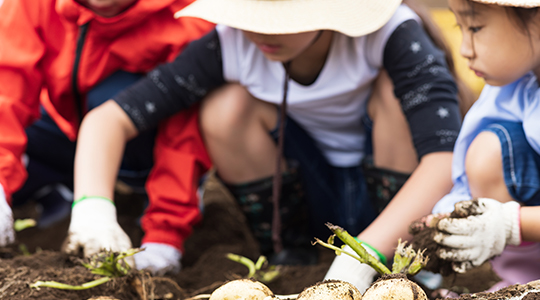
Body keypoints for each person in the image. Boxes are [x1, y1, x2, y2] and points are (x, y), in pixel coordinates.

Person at [73, 0, 467, 289]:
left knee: (395, 98)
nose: (261, 32)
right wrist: (93, 210)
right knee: (224, 108)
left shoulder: (392, 35)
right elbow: (108, 120)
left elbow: (443, 160)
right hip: (305, 197)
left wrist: (360, 258)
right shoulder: (230, 44)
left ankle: (404, 263)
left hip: (398, 203)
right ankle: (287, 249)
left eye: (281, 19)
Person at [0, 0, 213, 274]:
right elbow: (7, 90)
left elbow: (184, 135)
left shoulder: (188, 14)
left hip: (137, 144)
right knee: (29, 131)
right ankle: (59, 191)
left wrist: (164, 234)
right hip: (66, 126)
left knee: (109, 96)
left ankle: (146, 197)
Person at [421, 0, 540, 292]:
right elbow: (465, 177)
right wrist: (451, 214)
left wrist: (511, 223)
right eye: (459, 27)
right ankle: (524, 282)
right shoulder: (512, 88)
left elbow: (508, 220)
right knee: (488, 151)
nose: (465, 49)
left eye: (476, 27)